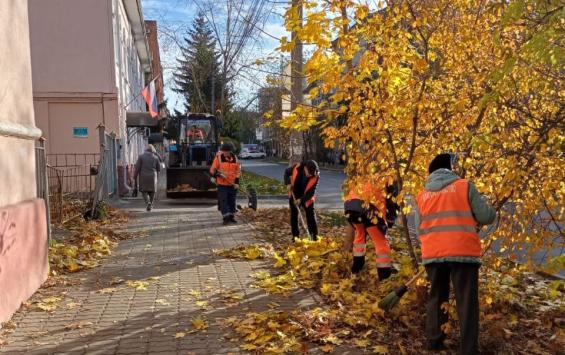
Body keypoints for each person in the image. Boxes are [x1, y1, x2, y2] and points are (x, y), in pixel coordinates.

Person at [415, 153, 495, 354]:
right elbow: (486, 216)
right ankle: (468, 349)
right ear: (450, 169)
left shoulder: (422, 195)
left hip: (433, 254)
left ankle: (434, 343)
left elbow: (419, 230)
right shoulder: (464, 186)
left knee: (436, 298)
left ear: (431, 173)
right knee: (466, 302)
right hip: (462, 253)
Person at [344, 179, 399, 280]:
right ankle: (384, 276)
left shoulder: (369, 170)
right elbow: (393, 203)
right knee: (380, 241)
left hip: (350, 206)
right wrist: (390, 221)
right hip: (369, 208)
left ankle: (356, 269)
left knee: (360, 234)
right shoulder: (391, 177)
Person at [284, 160, 320, 241]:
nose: (310, 175)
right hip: (295, 193)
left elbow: (311, 192)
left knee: (311, 216)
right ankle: (295, 237)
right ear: (305, 168)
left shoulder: (316, 175)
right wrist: (288, 183)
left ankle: (314, 237)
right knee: (294, 215)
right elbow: (286, 172)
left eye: (312, 174)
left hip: (307, 196)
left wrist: (301, 200)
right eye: (309, 173)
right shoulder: (297, 167)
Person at [210, 143, 241, 225]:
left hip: (232, 184)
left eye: (227, 151)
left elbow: (238, 171)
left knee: (232, 201)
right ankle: (225, 218)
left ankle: (231, 217)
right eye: (224, 151)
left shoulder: (235, 158)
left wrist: (237, 181)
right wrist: (218, 174)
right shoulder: (218, 158)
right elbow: (212, 170)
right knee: (224, 201)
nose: (225, 153)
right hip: (222, 185)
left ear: (230, 151)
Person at [134, 144, 161, 211]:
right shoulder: (156, 158)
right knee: (152, 191)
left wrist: (135, 176)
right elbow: (159, 169)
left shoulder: (141, 157)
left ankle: (148, 202)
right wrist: (157, 177)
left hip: (143, 176)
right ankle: (151, 204)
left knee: (144, 190)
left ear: (146, 149)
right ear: (153, 150)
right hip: (153, 176)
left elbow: (137, 168)